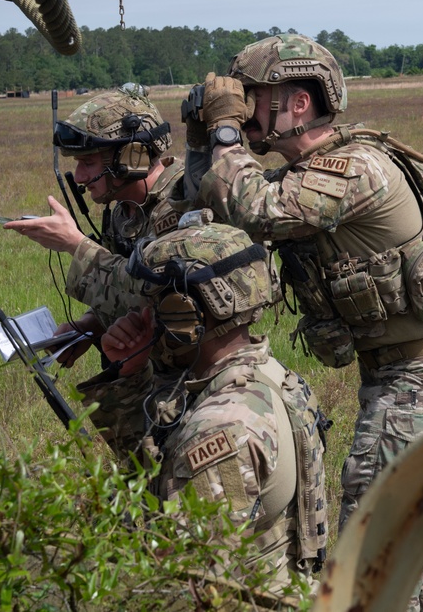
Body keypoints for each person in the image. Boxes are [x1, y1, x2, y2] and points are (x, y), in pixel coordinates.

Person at [184, 33, 423, 612]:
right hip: (408, 368)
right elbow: (215, 202)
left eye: (254, 98)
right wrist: (204, 140)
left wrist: (224, 132)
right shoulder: (308, 172)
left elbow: (255, 209)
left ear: (297, 103)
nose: (245, 112)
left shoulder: (352, 168)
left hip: (419, 375)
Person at [77, 218, 330, 599]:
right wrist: (128, 377)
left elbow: (187, 583)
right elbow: (151, 469)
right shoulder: (266, 375)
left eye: (153, 301)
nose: (143, 313)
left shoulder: (220, 428)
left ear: (185, 312)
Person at [4, 83, 184, 367]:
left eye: (88, 162)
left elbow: (154, 298)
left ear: (130, 156)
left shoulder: (182, 204)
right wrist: (87, 327)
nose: (78, 177)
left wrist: (75, 244)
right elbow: (123, 294)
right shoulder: (124, 212)